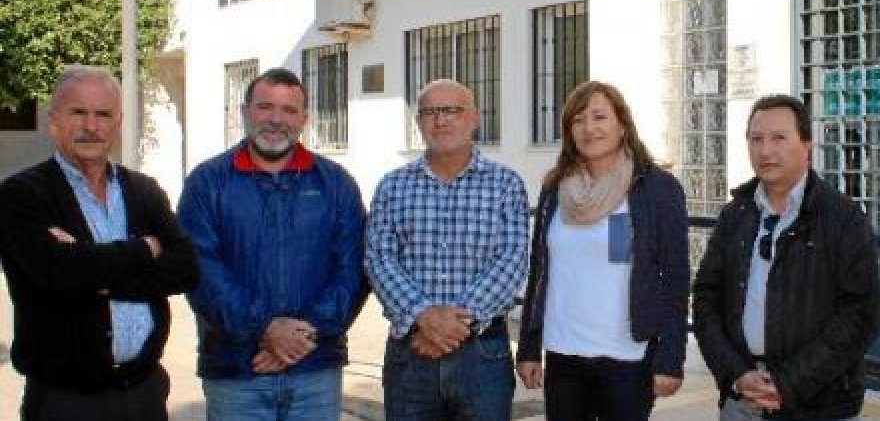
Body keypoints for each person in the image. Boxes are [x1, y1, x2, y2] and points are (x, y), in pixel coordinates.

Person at [0, 65, 198, 421]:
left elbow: (185, 268)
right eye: (78, 112)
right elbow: (55, 274)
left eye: (103, 114)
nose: (92, 126)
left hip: (144, 393)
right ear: (54, 119)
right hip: (65, 401)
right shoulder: (21, 195)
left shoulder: (143, 190)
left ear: (118, 122)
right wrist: (144, 249)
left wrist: (93, 273)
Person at [177, 67, 366, 421]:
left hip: (315, 370)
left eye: (289, 110)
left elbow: (353, 268)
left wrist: (300, 336)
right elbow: (200, 268)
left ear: (304, 119)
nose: (276, 120)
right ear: (245, 112)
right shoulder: (206, 183)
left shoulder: (337, 185)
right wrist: (264, 329)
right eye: (265, 107)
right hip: (236, 372)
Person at [693, 94, 880, 421]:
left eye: (779, 138)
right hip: (743, 397)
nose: (766, 151)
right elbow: (706, 298)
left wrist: (787, 384)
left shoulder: (843, 218)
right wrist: (735, 373)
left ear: (806, 144)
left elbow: (859, 315)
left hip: (821, 403)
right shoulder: (735, 214)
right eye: (756, 139)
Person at [514, 81, 690, 420]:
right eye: (577, 120)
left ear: (622, 125)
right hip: (564, 354)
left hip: (627, 358)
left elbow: (675, 280)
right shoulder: (556, 189)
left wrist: (670, 359)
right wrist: (529, 347)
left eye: (599, 117)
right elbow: (540, 272)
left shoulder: (655, 189)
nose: (589, 128)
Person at [366, 79, 530, 421]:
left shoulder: (506, 185)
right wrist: (423, 317)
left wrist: (456, 324)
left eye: (451, 110)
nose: (440, 121)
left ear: (474, 118)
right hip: (411, 352)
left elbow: (512, 260)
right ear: (419, 122)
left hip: (482, 353)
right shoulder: (392, 186)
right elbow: (379, 258)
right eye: (430, 112)